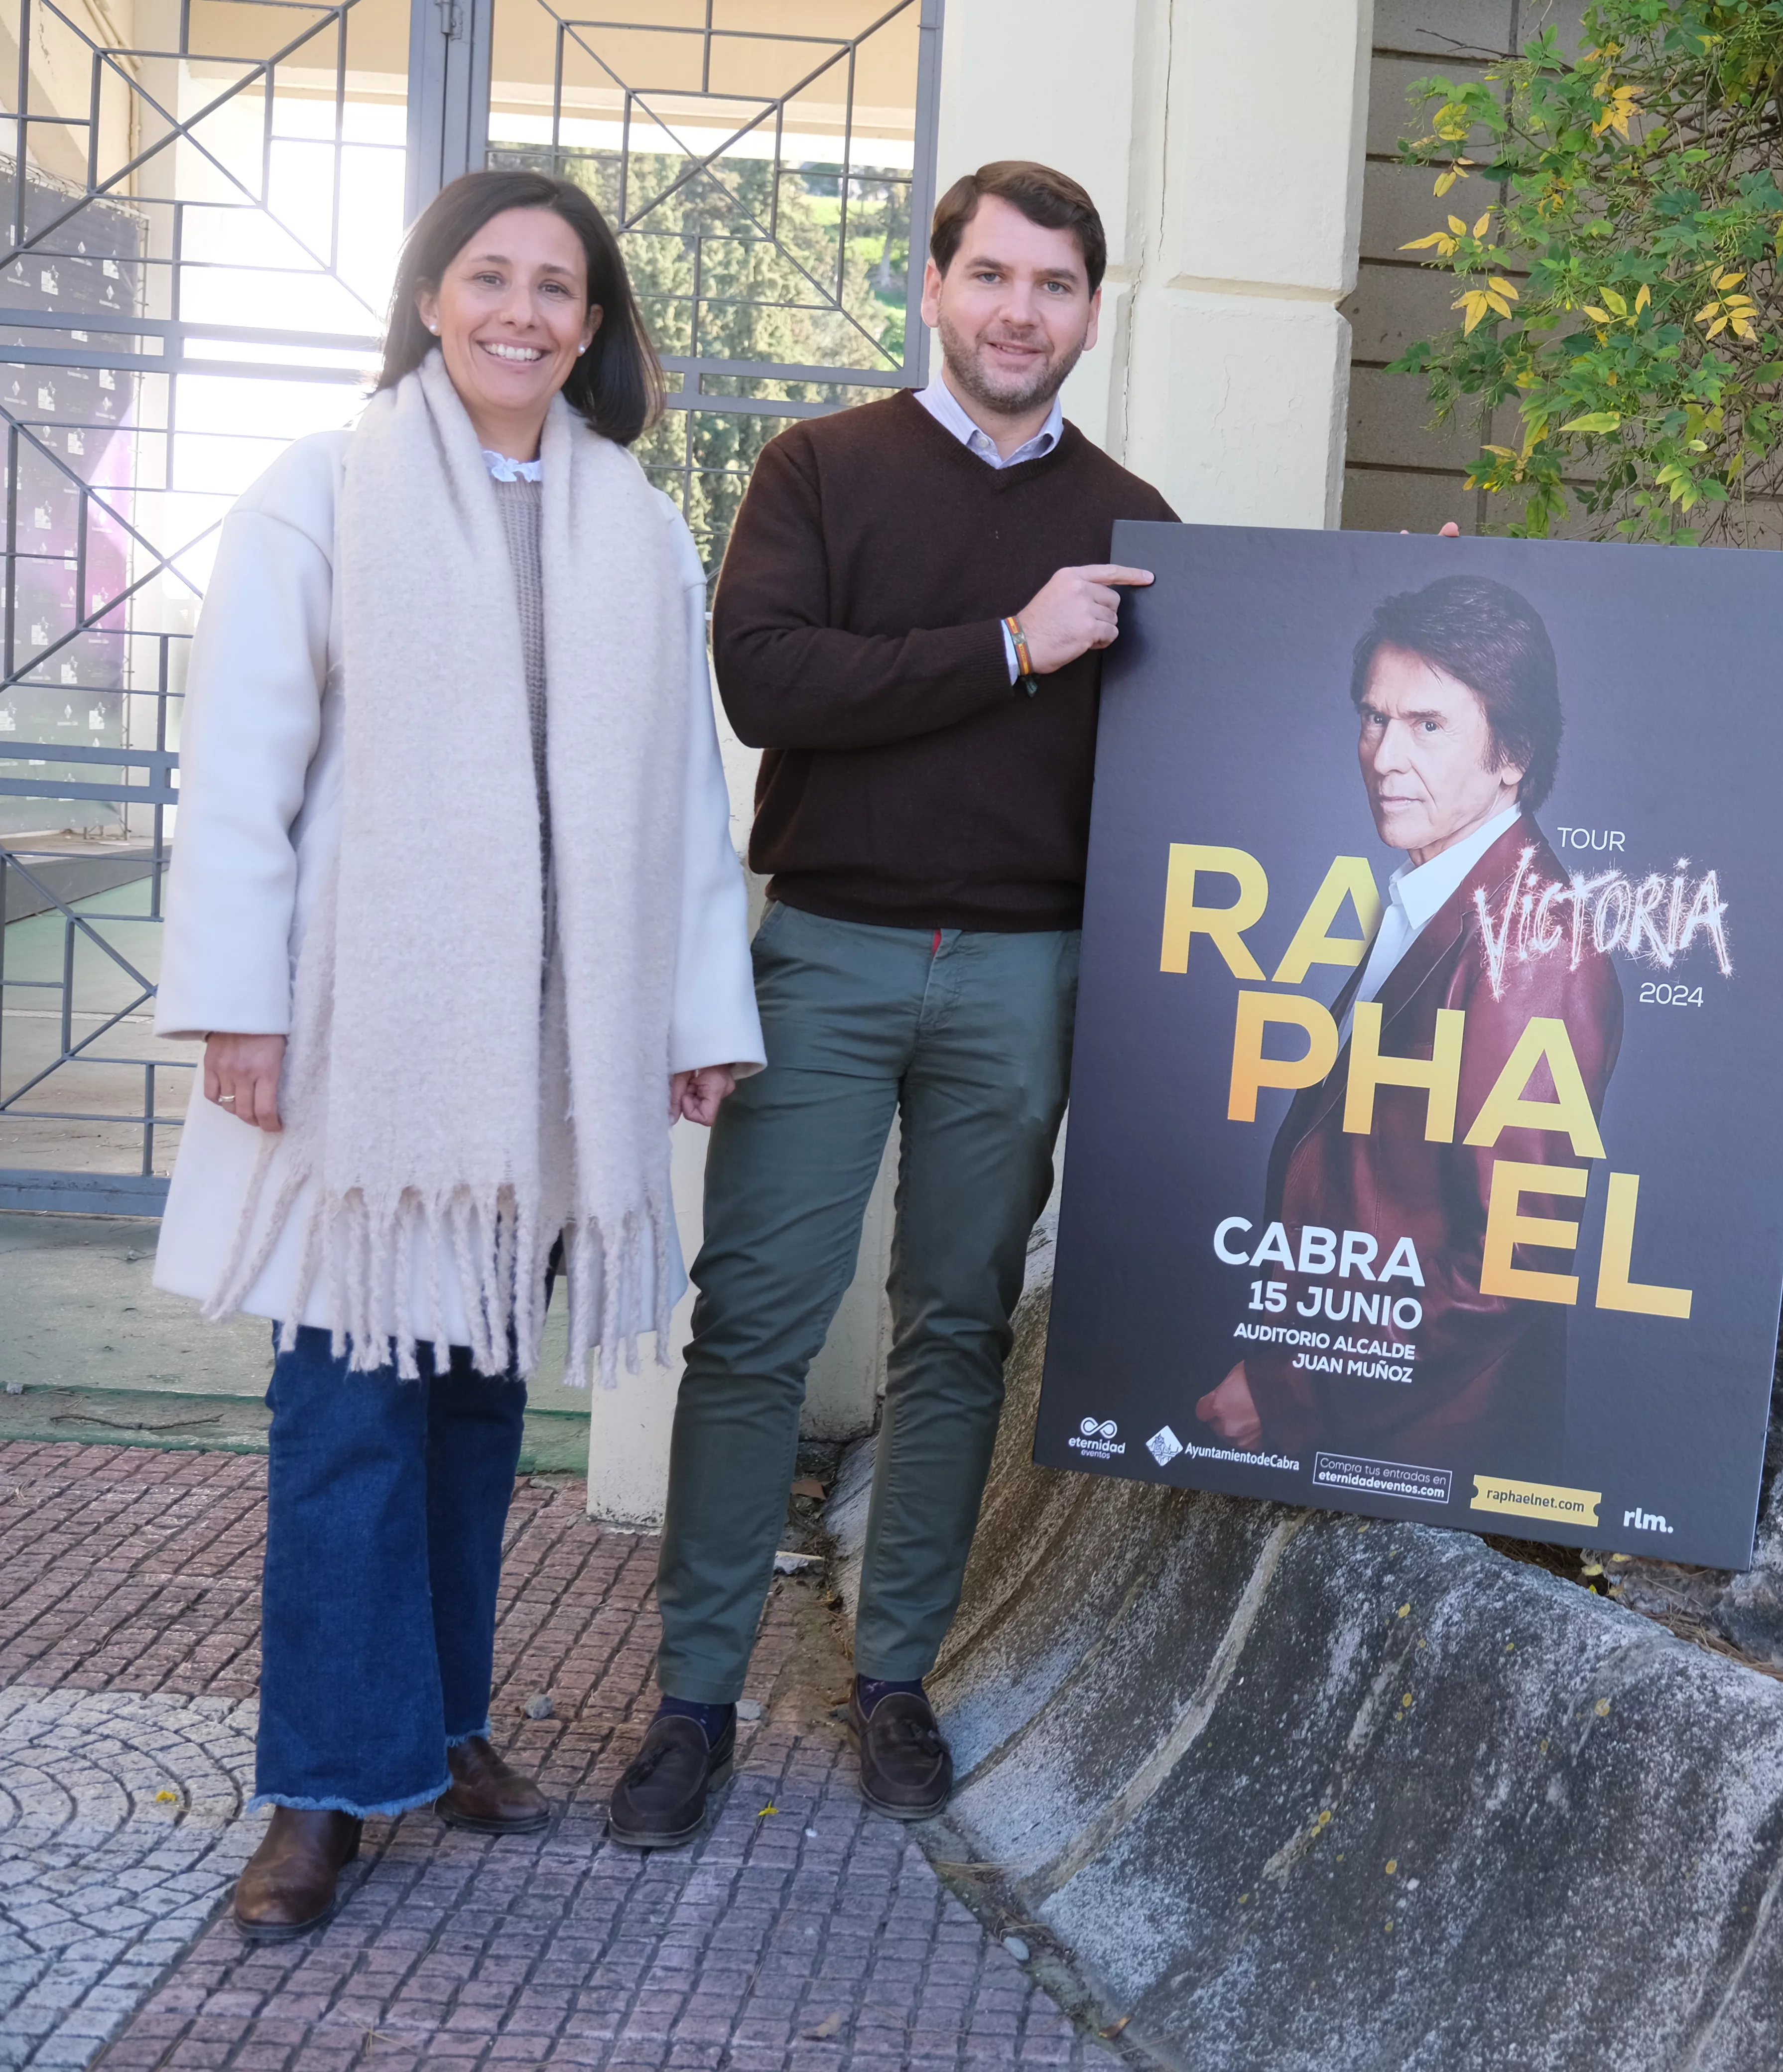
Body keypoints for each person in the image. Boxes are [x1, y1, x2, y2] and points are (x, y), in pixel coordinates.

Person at [150, 168, 764, 1939]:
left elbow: (679, 814)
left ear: (594, 324)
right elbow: (246, 773)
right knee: (349, 1412)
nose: (521, 310)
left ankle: (439, 1727)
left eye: (557, 286)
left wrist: (697, 1021)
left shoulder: (635, 523)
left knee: (481, 1404)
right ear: (430, 298)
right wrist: (241, 1008)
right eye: (487, 276)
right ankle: (323, 1791)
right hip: (366, 1051)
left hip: (549, 1058)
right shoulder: (321, 490)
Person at [607, 161, 1176, 1846]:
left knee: (956, 1332)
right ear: (934, 286)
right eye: (992, 274)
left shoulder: (1137, 524)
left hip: (1027, 971)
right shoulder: (822, 469)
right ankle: (694, 1701)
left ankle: (892, 1678)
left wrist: (1374, 604)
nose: (1021, 310)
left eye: (1056, 283)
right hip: (832, 953)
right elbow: (767, 677)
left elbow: (1245, 724)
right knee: (756, 1332)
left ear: (1089, 308)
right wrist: (1007, 647)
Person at [1194, 574, 1623, 1486]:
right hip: (1382, 1424)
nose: (1384, 756)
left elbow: (1510, 1263)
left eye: (1428, 726)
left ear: (1513, 753)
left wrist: (1287, 1385)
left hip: (1430, 1451)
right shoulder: (1441, 892)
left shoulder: (1529, 943)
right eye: (1373, 718)